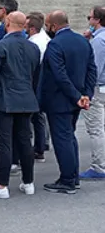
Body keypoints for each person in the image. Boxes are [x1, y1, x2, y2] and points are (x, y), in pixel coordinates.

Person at [0, 12, 40, 199]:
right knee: (25, 141)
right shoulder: (33, 47)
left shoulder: (0, 46)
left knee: (4, 143)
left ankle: (1, 185)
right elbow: (35, 74)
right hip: (26, 98)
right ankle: (28, 182)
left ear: (7, 23)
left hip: (4, 99)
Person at [38, 10, 97, 194]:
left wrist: (76, 96)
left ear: (54, 26)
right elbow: (91, 69)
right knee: (70, 137)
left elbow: (59, 75)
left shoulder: (55, 44)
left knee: (62, 139)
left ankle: (67, 180)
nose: (47, 28)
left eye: (48, 25)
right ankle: (73, 177)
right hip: (77, 98)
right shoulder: (83, 41)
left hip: (59, 99)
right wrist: (85, 94)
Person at [80, 6, 105, 180]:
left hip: (98, 87)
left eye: (89, 17)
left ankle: (99, 166)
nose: (88, 20)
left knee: (96, 129)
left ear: (96, 20)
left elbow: (95, 68)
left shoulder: (99, 41)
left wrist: (86, 91)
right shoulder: (98, 38)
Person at [26, 11, 51, 162]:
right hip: (42, 82)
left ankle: (27, 151)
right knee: (39, 117)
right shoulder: (45, 39)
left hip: (33, 82)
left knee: (28, 118)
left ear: (32, 28)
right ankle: (40, 147)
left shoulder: (34, 43)